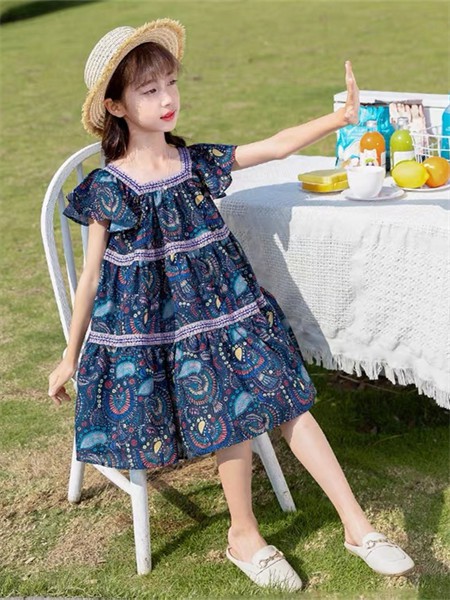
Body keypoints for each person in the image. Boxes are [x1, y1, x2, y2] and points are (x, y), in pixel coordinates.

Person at [48, 18, 414, 592]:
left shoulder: (193, 163)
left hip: (230, 311)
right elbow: (90, 276)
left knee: (289, 398)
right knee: (226, 401)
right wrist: (70, 356)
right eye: (149, 90)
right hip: (162, 334)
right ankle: (244, 536)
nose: (167, 99)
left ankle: (358, 527)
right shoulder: (109, 187)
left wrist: (340, 118)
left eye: (171, 83)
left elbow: (271, 147)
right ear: (115, 106)